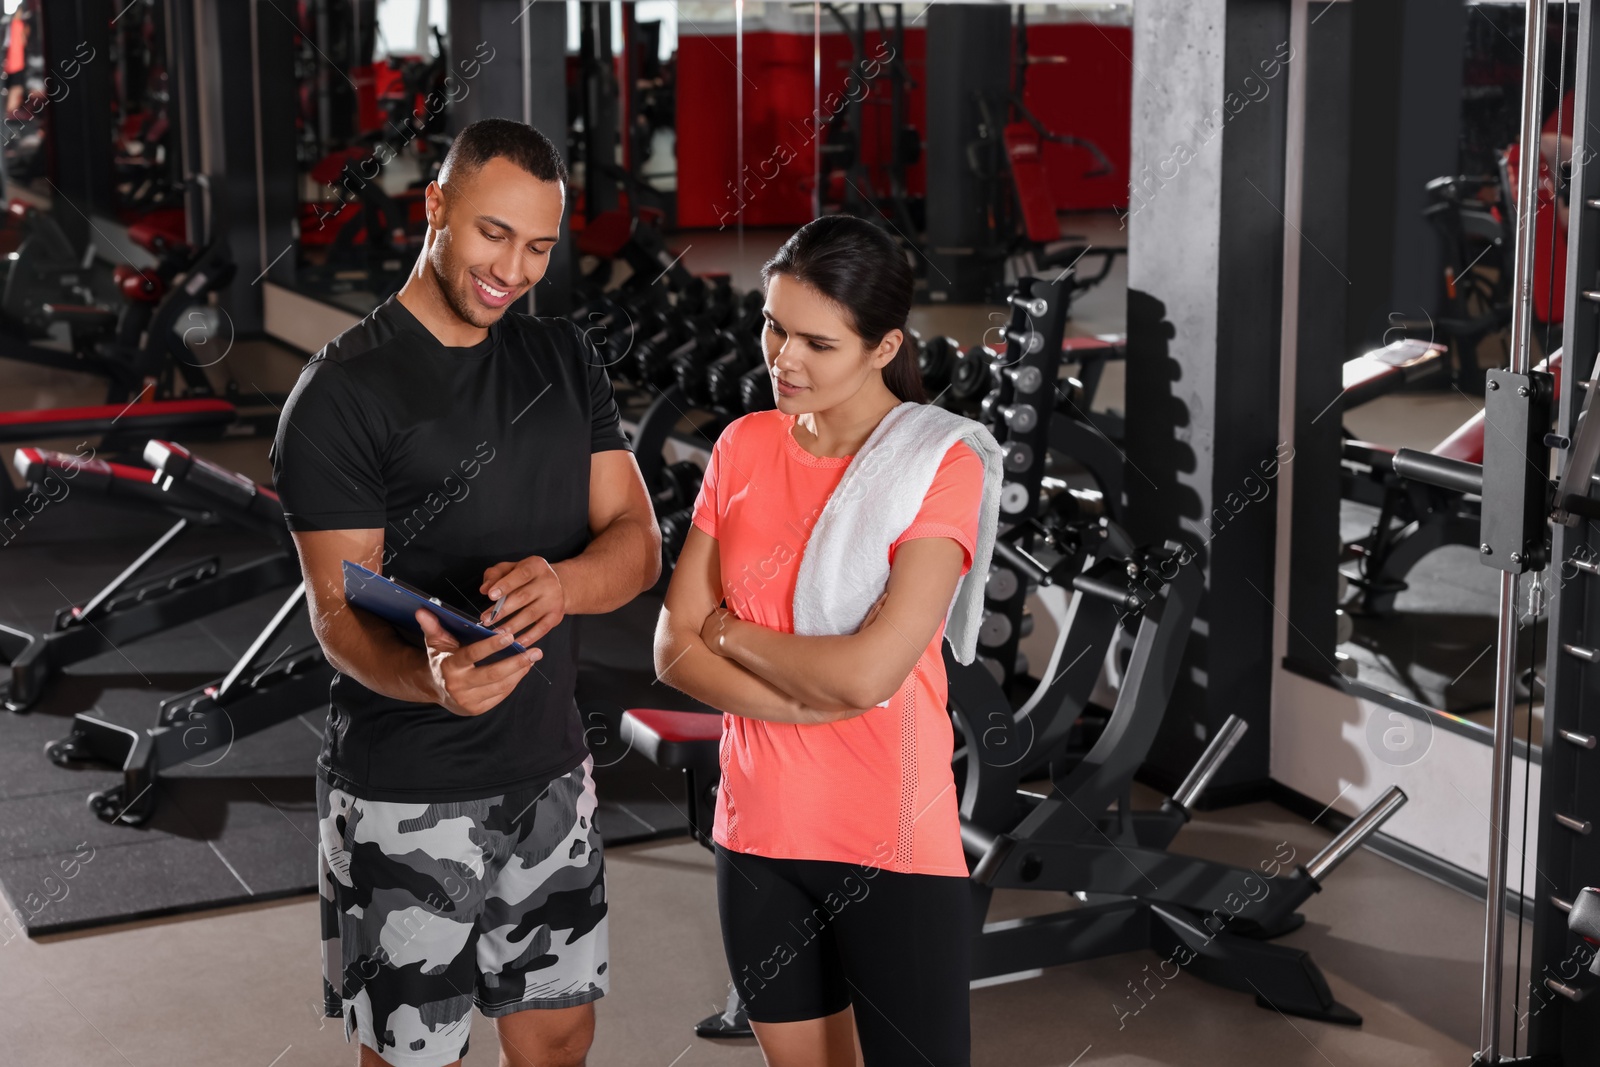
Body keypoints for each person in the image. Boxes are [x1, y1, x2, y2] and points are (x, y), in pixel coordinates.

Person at [271, 118, 660, 1067]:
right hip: (408, 793)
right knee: (414, 1056)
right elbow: (336, 615)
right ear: (435, 206)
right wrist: (430, 678)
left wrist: (565, 582)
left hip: (550, 771)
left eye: (538, 246)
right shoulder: (341, 394)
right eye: (494, 235)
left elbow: (641, 543)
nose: (514, 270)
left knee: (561, 1036)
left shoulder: (564, 357)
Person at [654, 215, 990, 1067]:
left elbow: (869, 672)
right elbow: (671, 648)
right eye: (773, 325)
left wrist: (730, 630)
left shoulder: (937, 464)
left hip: (893, 841)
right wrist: (799, 699)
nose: (784, 359)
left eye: (817, 341)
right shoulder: (742, 445)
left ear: (883, 347)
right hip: (759, 832)